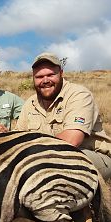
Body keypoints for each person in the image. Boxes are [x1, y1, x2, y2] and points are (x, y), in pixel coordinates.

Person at [15, 52, 111, 180]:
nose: (45, 80)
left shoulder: (79, 95)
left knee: (58, 165)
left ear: (61, 73)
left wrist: (31, 153)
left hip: (92, 155)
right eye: (39, 76)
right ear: (33, 78)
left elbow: (71, 140)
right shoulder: (30, 103)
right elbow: (18, 139)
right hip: (43, 157)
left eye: (50, 75)